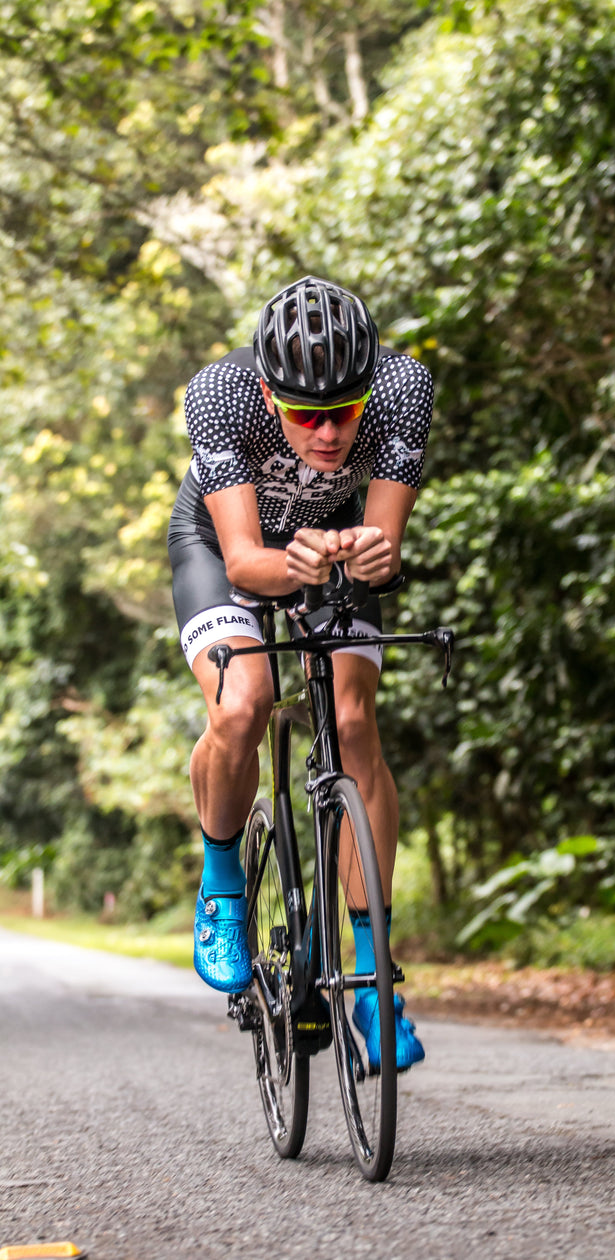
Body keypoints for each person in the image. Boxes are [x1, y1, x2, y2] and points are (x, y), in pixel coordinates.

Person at [167, 275, 434, 1071]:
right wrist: (296, 560)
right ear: (265, 392)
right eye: (304, 416)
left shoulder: (401, 387)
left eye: (343, 413)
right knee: (244, 705)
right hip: (229, 549)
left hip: (336, 548)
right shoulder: (219, 395)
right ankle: (221, 883)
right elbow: (247, 557)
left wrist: (377, 557)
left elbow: (383, 543)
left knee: (353, 725)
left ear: (368, 391)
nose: (326, 435)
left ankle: (373, 983)